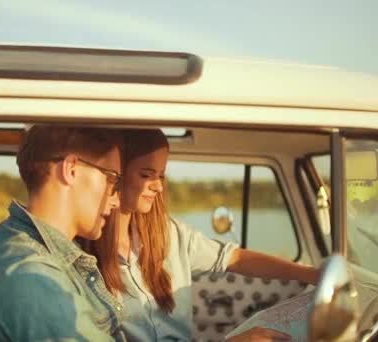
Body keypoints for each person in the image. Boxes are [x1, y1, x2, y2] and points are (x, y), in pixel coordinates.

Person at [83, 129, 319, 341]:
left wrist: (309, 274)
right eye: (146, 175)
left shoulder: (169, 234)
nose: (159, 186)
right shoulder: (83, 257)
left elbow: (234, 258)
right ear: (116, 175)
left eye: (161, 176)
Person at [0, 125, 127, 341]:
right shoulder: (32, 278)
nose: (117, 200)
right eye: (112, 180)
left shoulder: (22, 246)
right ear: (71, 169)